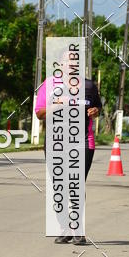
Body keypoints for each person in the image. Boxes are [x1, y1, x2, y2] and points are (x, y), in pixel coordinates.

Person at [35, 73, 101, 245]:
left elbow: (97, 108)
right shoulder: (49, 85)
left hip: (83, 142)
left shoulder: (89, 86)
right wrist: (57, 104)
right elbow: (39, 114)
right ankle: (65, 227)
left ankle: (78, 229)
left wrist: (95, 111)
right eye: (68, 60)